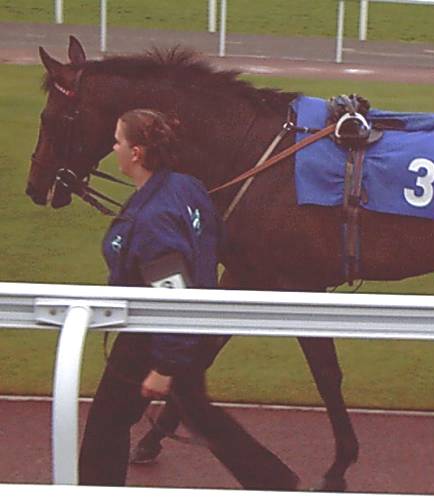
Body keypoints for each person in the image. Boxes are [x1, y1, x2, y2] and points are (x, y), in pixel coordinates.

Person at [79, 108, 299, 490]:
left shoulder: (154, 220)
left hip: (154, 340)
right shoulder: (188, 187)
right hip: (188, 331)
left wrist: (164, 366)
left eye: (118, 141)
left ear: (136, 153)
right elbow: (214, 241)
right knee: (201, 416)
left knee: (105, 427)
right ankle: (276, 484)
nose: (113, 148)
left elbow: (172, 295)